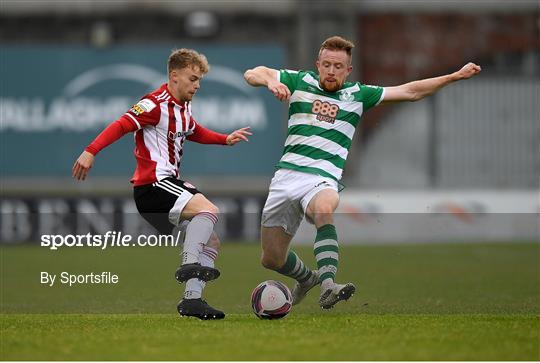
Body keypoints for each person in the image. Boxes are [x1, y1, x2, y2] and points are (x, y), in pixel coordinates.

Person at [244, 35, 481, 309]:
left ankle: (329, 284)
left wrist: (453, 76)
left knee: (323, 209)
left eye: (338, 66)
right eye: (327, 65)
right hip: (286, 177)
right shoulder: (298, 81)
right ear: (317, 65)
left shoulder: (359, 94)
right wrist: (272, 81)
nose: (331, 71)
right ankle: (309, 278)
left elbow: (411, 91)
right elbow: (253, 73)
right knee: (271, 258)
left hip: (322, 179)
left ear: (348, 70)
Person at [73, 48, 251, 320]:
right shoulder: (153, 104)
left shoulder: (183, 107)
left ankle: (193, 300)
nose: (197, 85)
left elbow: (193, 130)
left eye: (199, 80)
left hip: (165, 186)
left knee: (212, 240)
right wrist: (90, 150)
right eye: (193, 78)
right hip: (153, 186)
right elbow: (121, 125)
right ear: (174, 75)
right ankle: (189, 264)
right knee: (209, 211)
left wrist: (224, 139)